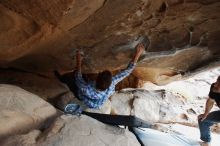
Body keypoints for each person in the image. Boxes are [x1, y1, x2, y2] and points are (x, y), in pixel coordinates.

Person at [55, 43, 145, 109]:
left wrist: (79, 58)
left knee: (71, 81)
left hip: (82, 96)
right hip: (97, 103)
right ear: (110, 82)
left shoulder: (85, 88)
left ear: (96, 78)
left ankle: (62, 78)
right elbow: (127, 71)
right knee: (83, 78)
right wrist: (137, 54)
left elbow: (78, 75)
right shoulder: (111, 84)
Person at [198, 76, 220, 146]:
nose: (215, 84)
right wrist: (205, 114)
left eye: (218, 84)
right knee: (202, 120)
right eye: (217, 81)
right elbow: (210, 101)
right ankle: (206, 141)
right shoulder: (214, 87)